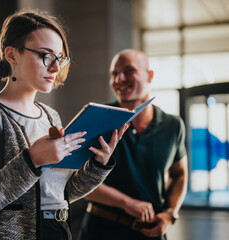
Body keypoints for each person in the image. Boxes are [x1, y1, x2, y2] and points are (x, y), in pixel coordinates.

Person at [0, 9, 129, 240]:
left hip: (58, 231)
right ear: (12, 55)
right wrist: (31, 160)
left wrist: (99, 165)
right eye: (45, 55)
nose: (55, 67)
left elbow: (62, 194)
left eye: (59, 57)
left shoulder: (50, 116)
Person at [79, 49, 188, 240]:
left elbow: (179, 174)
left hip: (151, 232)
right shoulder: (97, 119)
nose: (119, 79)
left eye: (129, 71)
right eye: (114, 74)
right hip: (101, 231)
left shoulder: (173, 125)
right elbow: (79, 181)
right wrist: (127, 203)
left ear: (150, 76)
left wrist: (170, 214)